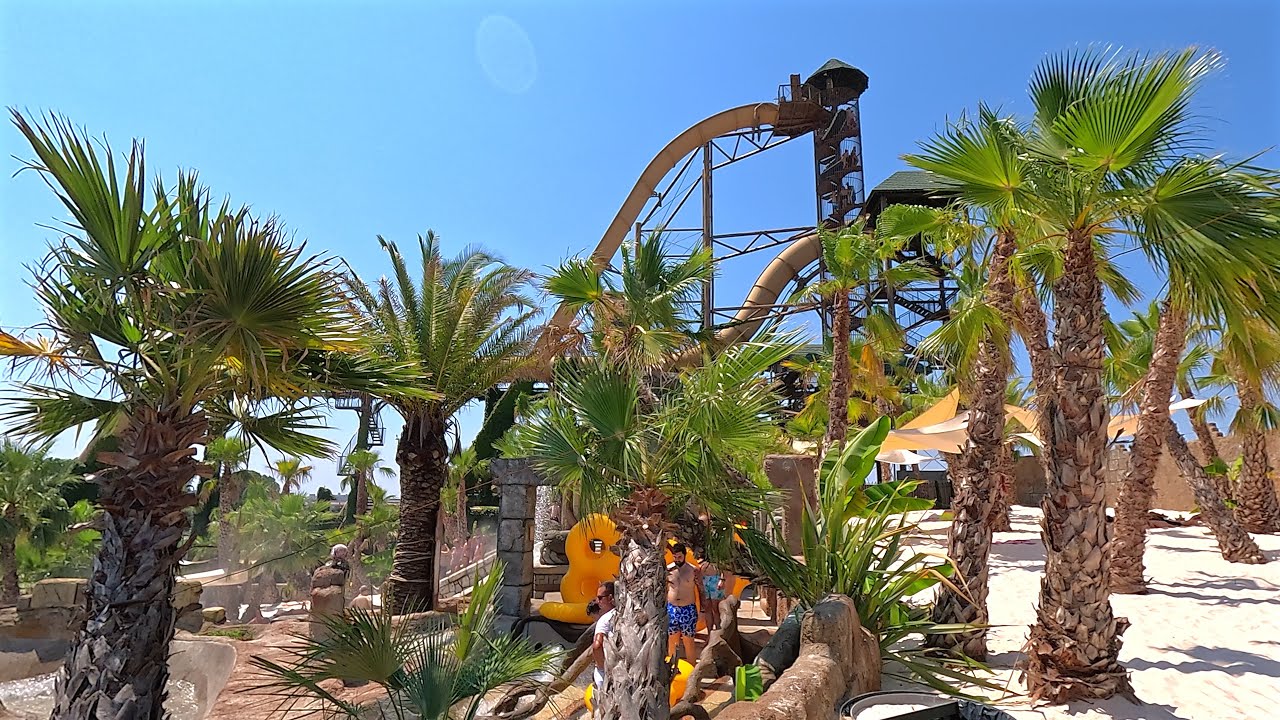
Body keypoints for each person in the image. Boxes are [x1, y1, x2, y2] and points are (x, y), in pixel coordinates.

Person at [666, 542, 700, 662]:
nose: (677, 560)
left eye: (679, 557)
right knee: (672, 640)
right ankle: (671, 669)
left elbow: (700, 589)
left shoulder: (693, 570)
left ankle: (692, 670)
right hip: (672, 608)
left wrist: (702, 609)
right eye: (675, 557)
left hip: (688, 608)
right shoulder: (668, 570)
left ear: (685, 555)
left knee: (688, 641)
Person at [591, 581, 617, 692]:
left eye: (600, 598)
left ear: (610, 598)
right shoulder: (625, 614)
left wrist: (601, 667)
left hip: (607, 670)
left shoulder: (604, 620)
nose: (598, 602)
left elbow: (597, 645)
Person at [697, 549, 726, 631]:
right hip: (704, 580)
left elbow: (723, 566)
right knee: (707, 609)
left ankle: (718, 631)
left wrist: (722, 579)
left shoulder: (717, 553)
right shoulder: (701, 552)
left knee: (715, 608)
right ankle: (709, 634)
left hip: (715, 580)